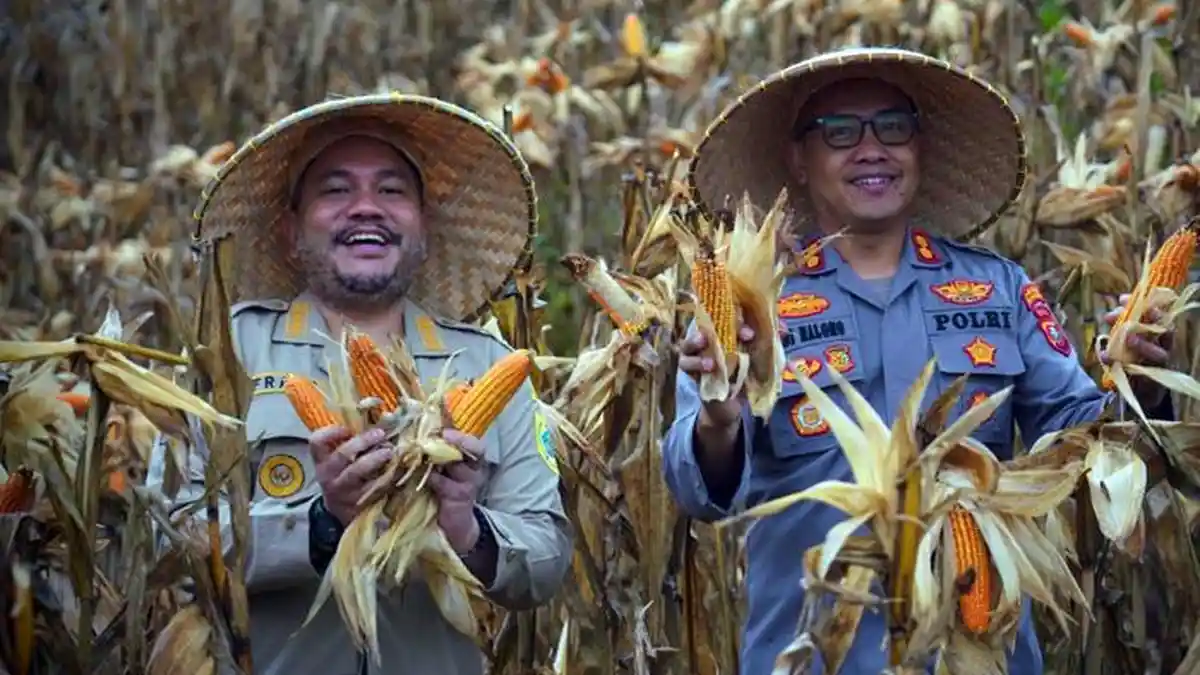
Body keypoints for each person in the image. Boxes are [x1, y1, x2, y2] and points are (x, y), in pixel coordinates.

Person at [662, 47, 1176, 675]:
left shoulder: (1000, 289)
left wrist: (1139, 378)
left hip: (979, 651)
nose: (871, 149)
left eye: (893, 127)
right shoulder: (747, 307)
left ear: (919, 147)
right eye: (840, 133)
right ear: (798, 159)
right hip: (813, 656)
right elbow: (698, 493)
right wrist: (719, 418)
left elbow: (1088, 446)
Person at [147, 94, 572, 674]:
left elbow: (546, 561)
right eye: (336, 189)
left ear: (423, 225)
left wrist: (466, 528)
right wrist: (321, 526)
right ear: (291, 229)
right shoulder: (226, 355)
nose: (366, 208)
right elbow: (168, 542)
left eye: (392, 191)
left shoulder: (490, 365)